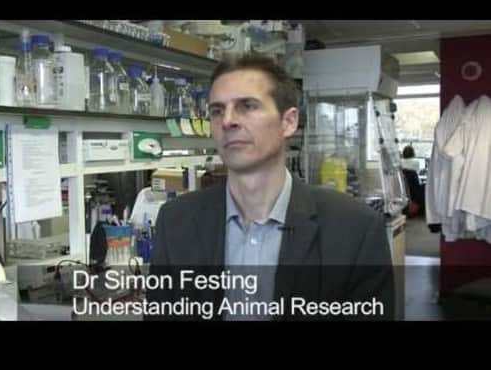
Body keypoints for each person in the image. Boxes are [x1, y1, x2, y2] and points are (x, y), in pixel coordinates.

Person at [147, 54, 394, 321]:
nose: (227, 121)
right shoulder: (175, 222)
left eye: (247, 106)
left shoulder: (355, 229)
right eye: (217, 111)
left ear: (288, 122)